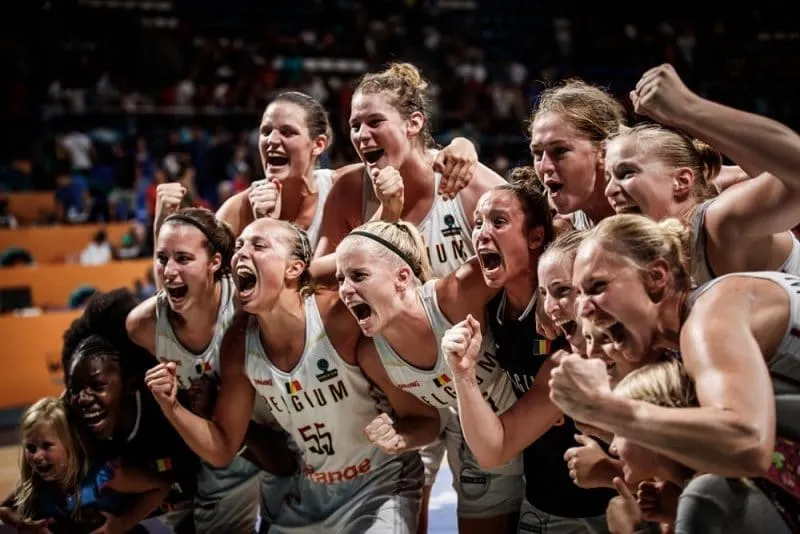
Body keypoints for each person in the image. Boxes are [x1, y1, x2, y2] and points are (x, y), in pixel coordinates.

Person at [145, 218, 439, 533]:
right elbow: (222, 448)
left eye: (258, 245)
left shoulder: (340, 321)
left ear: (294, 268)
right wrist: (171, 405)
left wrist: (401, 434)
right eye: (240, 245)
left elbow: (426, 420)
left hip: (378, 485)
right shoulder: (238, 342)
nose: (242, 252)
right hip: (306, 496)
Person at [548, 213, 800, 530]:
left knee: (710, 497)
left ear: (657, 276)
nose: (583, 308)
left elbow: (746, 443)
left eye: (597, 287)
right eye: (579, 293)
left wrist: (607, 409)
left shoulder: (710, 316)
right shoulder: (685, 339)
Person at [441, 177, 617, 533]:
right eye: (477, 223)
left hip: (603, 501)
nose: (481, 233)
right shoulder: (489, 307)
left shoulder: (572, 327)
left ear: (537, 237)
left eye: (498, 222)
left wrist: (467, 155)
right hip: (538, 497)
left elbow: (498, 445)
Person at [336, 221, 522, 534]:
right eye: (340, 279)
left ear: (401, 278)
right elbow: (424, 420)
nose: (344, 289)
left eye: (358, 276)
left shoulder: (456, 294)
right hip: (482, 449)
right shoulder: (373, 355)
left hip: (539, 430)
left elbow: (523, 255)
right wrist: (399, 438)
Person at [126, 207, 269, 534]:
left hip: (278, 438)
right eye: (162, 259)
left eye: (184, 258)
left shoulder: (248, 301)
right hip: (223, 453)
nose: (169, 270)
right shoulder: (143, 326)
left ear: (215, 262)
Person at [212, 90, 477, 252]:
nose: (271, 140)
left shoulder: (345, 185)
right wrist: (263, 225)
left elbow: (402, 160)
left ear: (318, 144)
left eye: (287, 132)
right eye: (265, 131)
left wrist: (460, 146)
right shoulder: (238, 209)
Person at [604, 68, 800, 285]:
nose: (609, 190)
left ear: (681, 181)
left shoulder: (720, 221)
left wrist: (688, 108)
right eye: (608, 178)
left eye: (627, 173)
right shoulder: (656, 252)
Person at [314, 62, 505, 279]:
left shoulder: (470, 185)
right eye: (355, 126)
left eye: (375, 122)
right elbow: (313, 281)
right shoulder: (348, 189)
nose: (362, 135)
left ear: (413, 123)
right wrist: (383, 219)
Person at [62, 288, 201, 533]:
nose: (83, 398)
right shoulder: (72, 419)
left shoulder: (174, 409)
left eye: (97, 385)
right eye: (75, 388)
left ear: (130, 382)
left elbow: (174, 482)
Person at [606, 359, 791, 534]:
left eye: (620, 431)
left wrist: (633, 529)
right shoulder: (710, 484)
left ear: (655, 432)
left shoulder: (703, 492)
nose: (612, 448)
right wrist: (674, 517)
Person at [0, 397, 168, 534]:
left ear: (70, 444)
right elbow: (4, 509)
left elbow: (160, 487)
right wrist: (24, 525)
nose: (36, 456)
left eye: (46, 445)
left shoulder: (104, 475)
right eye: (31, 448)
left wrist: (123, 523)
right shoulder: (37, 485)